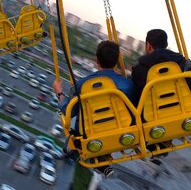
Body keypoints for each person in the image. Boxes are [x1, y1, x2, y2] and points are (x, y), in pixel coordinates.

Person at [52, 40, 137, 178]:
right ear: (116, 62)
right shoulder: (127, 85)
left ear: (97, 60)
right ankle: (102, 161)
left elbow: (69, 111)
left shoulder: (82, 85)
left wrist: (59, 92)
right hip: (121, 130)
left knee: (75, 126)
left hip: (91, 133)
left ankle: (100, 161)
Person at [131, 29, 191, 154]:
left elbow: (135, 99)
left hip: (152, 120)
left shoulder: (139, 69)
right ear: (166, 45)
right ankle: (163, 144)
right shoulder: (185, 63)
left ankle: (157, 145)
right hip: (184, 115)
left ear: (148, 46)